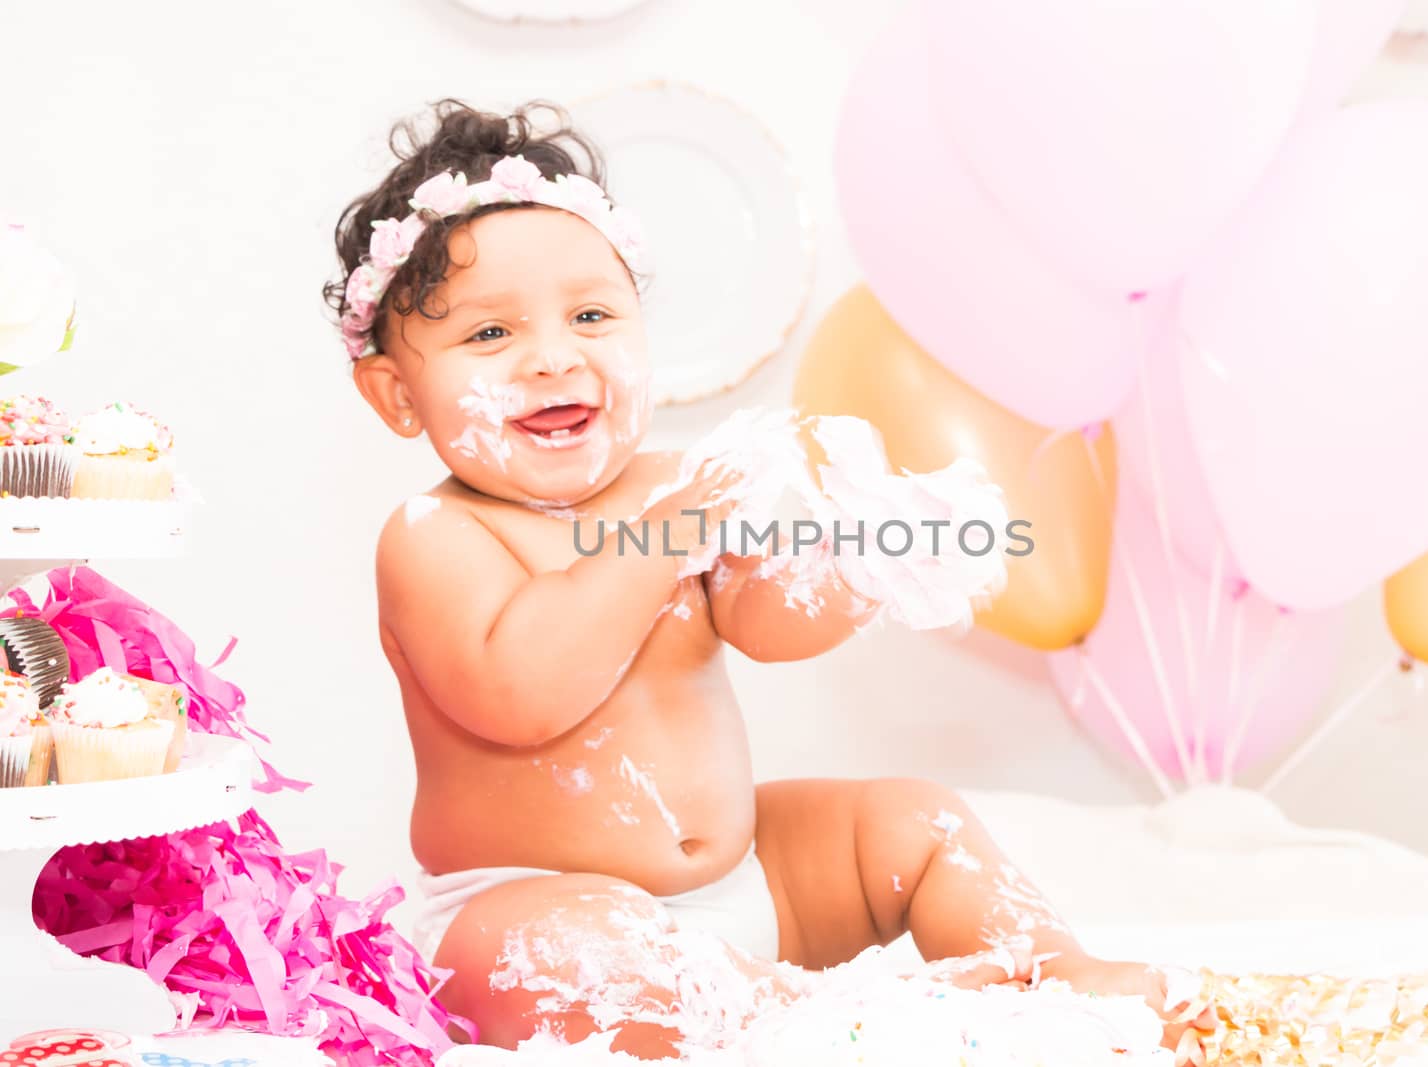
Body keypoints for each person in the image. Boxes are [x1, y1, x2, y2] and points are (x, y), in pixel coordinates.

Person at [325, 98, 1214, 1061]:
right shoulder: (435, 535)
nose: (553, 356)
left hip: (753, 884)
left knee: (914, 817)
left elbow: (768, 623)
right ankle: (821, 1020)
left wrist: (853, 557)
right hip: (532, 907)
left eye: (590, 315)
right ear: (398, 395)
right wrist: (665, 535)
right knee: (572, 953)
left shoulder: (677, 485)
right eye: (491, 336)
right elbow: (521, 694)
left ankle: (1046, 968)